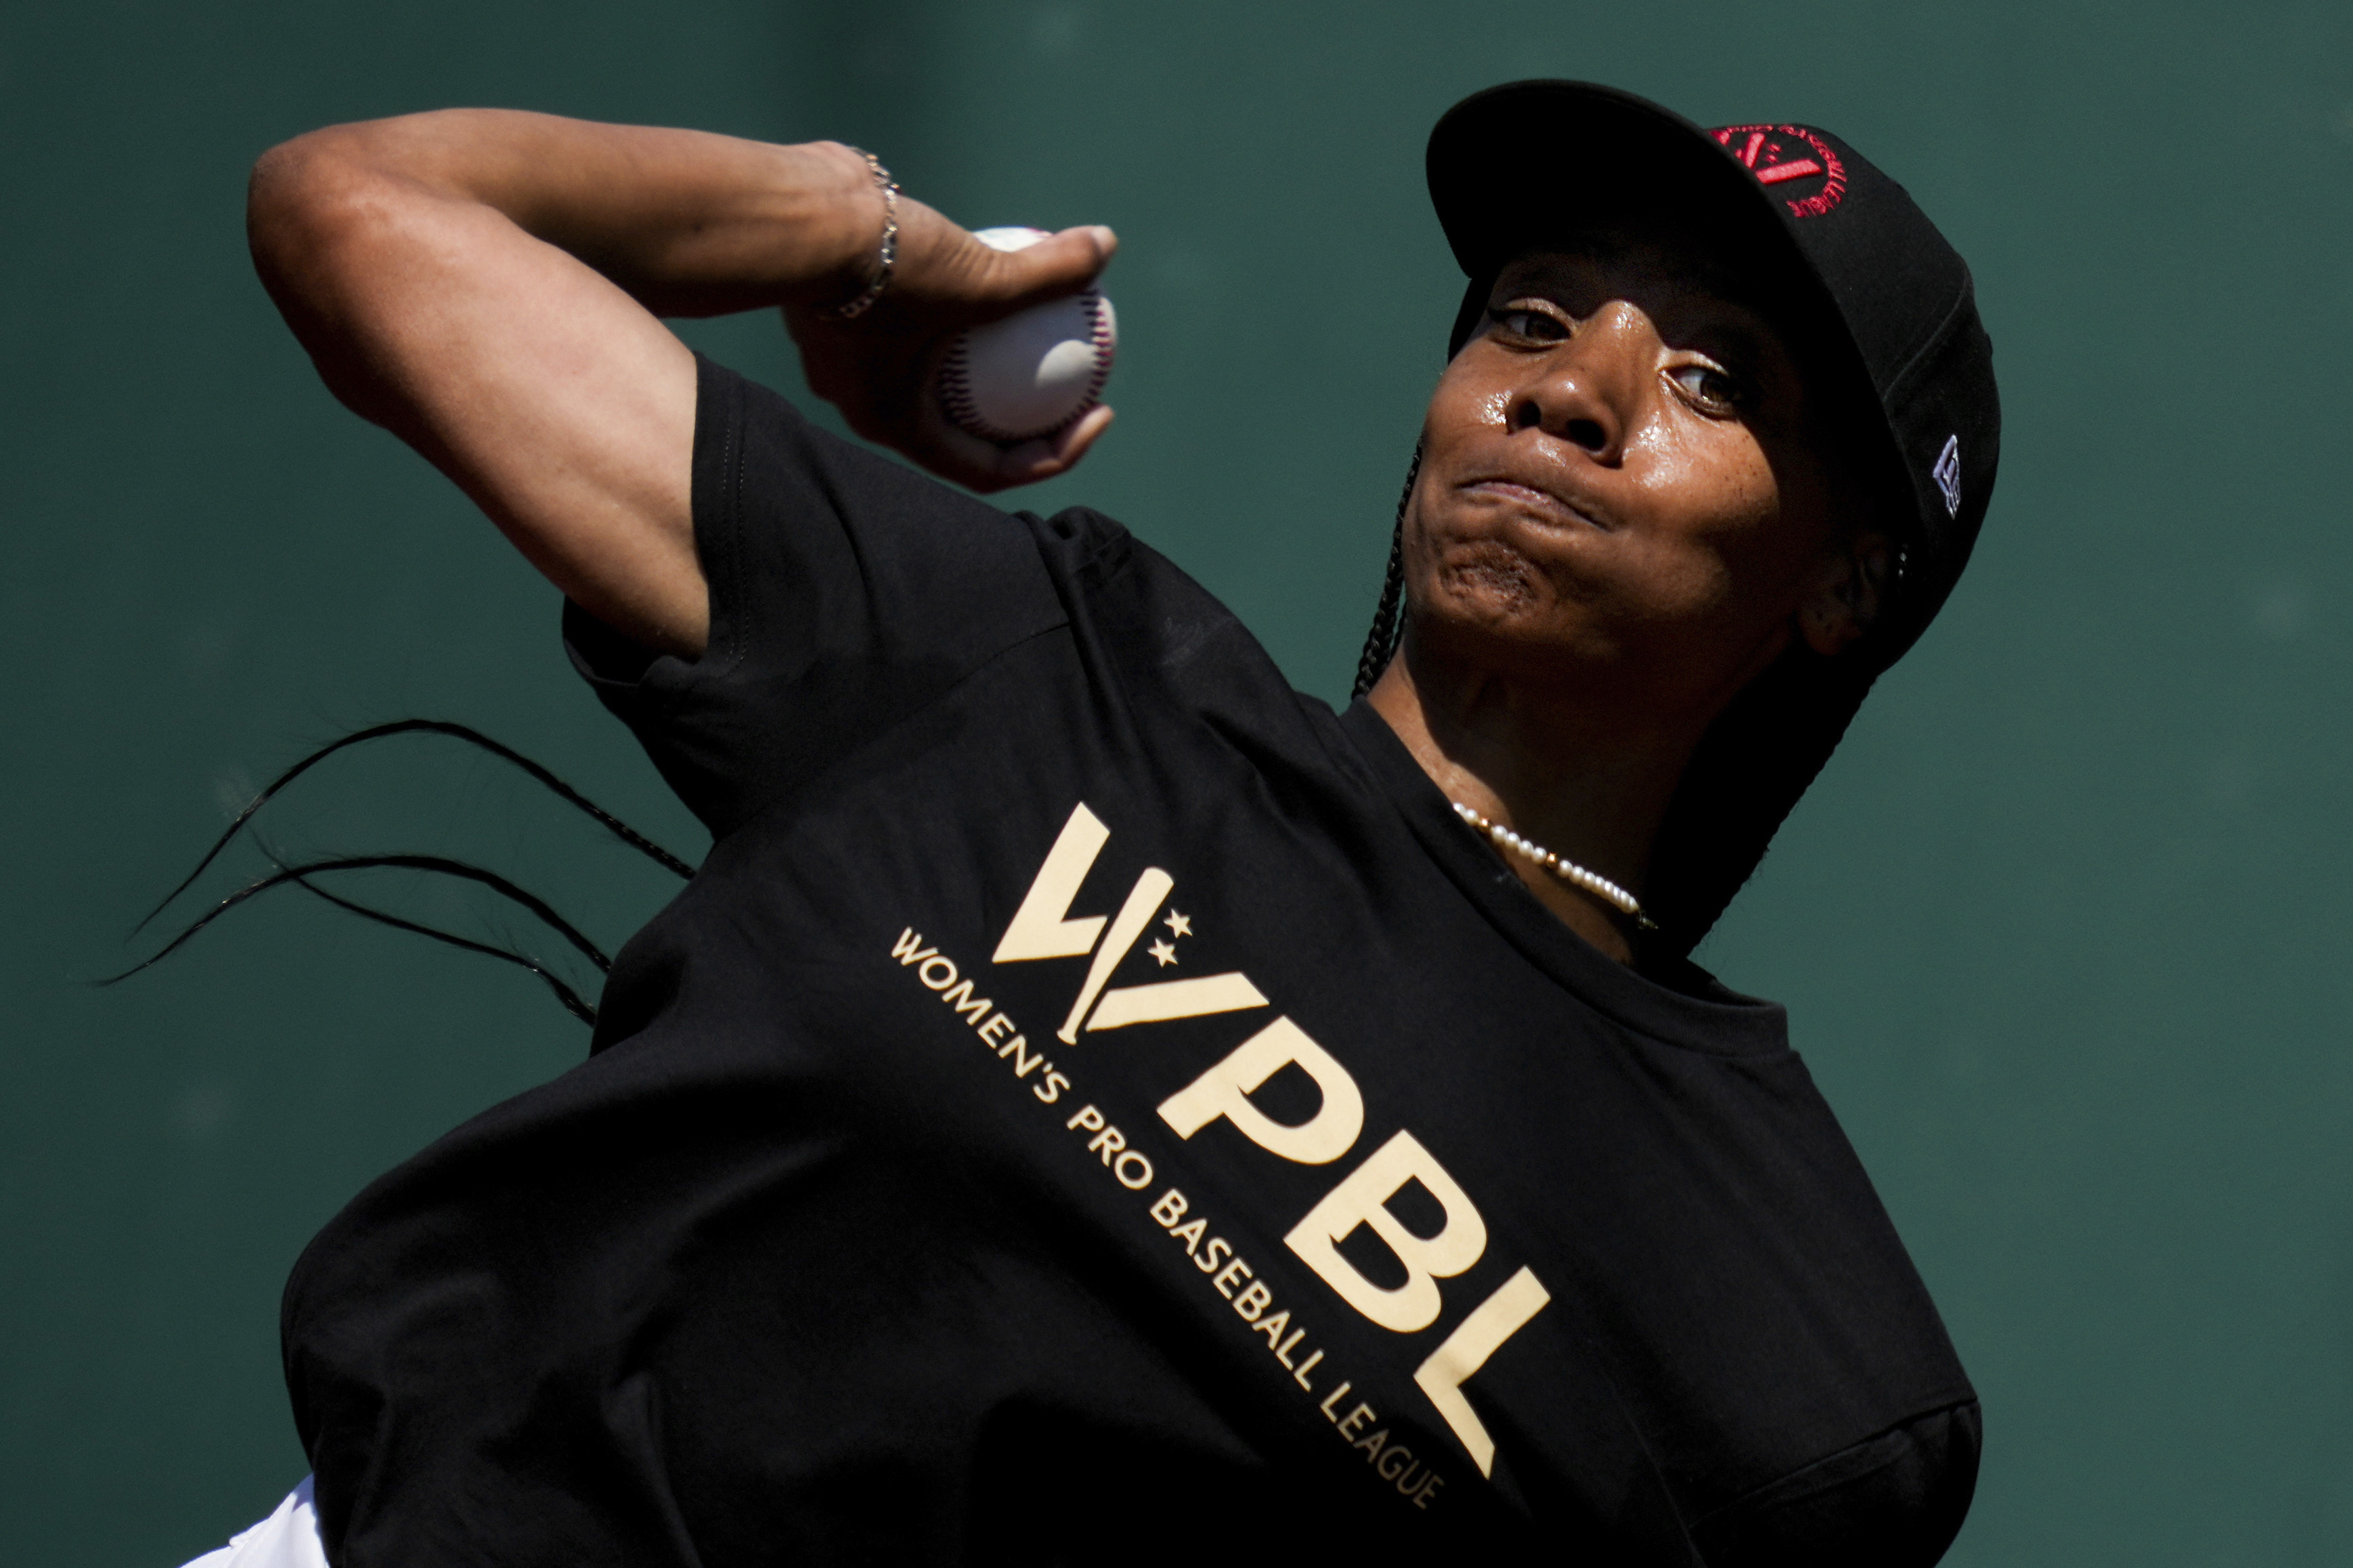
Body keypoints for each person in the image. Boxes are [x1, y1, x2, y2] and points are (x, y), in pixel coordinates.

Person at [183, 79, 1997, 1565]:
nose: (1568, 392)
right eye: (1529, 317)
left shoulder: (1795, 1368)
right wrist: (846, 231)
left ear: (1845, 580)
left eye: (1711, 381)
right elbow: (362, 217)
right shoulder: (1030, 664)